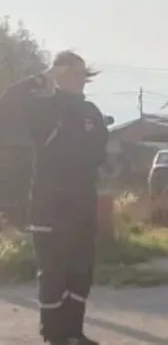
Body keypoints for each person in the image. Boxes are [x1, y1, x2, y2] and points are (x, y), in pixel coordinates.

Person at [0, 51, 107, 345]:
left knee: (81, 270)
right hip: (50, 206)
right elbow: (8, 103)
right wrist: (45, 76)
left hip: (83, 204)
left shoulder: (90, 112)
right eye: (72, 72)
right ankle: (54, 334)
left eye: (83, 74)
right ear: (59, 74)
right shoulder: (44, 108)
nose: (80, 79)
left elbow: (99, 152)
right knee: (54, 272)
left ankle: (74, 332)